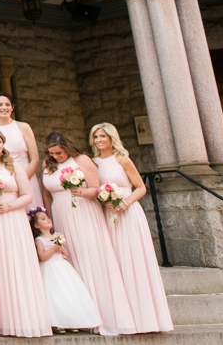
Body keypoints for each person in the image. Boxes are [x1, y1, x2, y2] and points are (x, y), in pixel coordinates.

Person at [41, 132, 136, 336]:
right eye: (52, 153)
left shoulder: (82, 160)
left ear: (67, 146)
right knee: (72, 260)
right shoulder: (47, 165)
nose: (56, 156)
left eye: (59, 152)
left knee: (92, 259)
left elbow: (95, 188)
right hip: (60, 213)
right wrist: (50, 220)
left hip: (84, 212)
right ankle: (80, 315)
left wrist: (79, 192)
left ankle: (102, 315)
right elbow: (46, 195)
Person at [90, 123, 173, 333]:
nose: (99, 140)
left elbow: (141, 187)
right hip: (108, 214)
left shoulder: (122, 159)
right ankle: (123, 316)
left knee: (133, 260)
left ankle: (145, 318)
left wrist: (124, 204)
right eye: (96, 137)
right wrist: (104, 201)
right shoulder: (93, 163)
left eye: (103, 136)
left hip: (128, 213)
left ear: (111, 138)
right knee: (115, 263)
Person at [0, 128, 51, 338]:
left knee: (16, 264)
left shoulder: (13, 166)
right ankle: (0, 320)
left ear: (3, 144)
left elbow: (27, 196)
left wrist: (9, 207)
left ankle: (24, 319)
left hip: (13, 218)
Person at [29, 207, 101, 334]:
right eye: (43, 218)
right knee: (54, 295)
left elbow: (66, 254)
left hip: (63, 267)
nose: (48, 219)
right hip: (50, 269)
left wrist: (61, 248)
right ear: (36, 225)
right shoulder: (39, 240)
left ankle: (71, 321)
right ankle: (56, 322)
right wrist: (54, 248)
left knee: (68, 292)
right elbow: (42, 257)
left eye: (47, 217)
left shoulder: (56, 236)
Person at [0, 93, 42, 209]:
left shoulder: (23, 127)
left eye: (8, 104)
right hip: (3, 181)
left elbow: (35, 159)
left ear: (12, 107)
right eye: (0, 104)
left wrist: (22, 180)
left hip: (26, 175)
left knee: (33, 216)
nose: (4, 108)